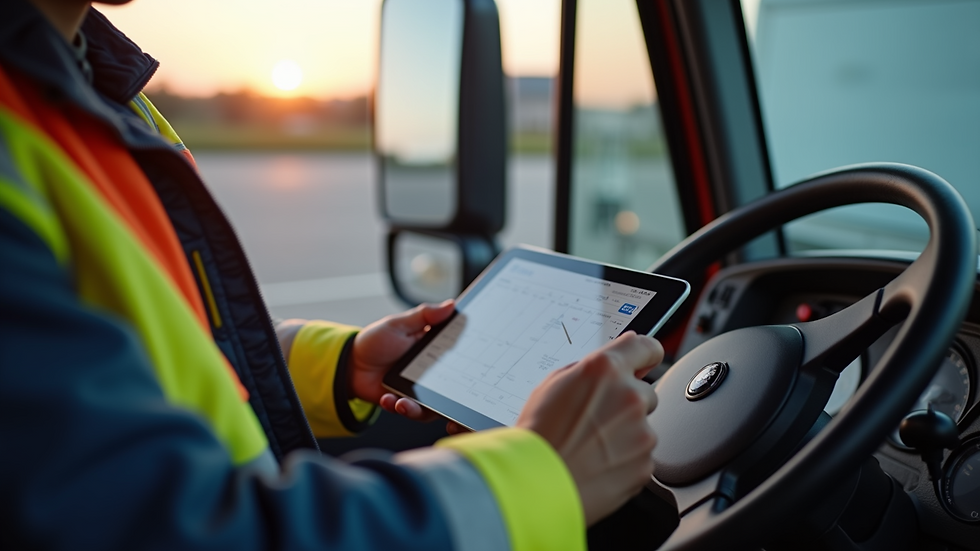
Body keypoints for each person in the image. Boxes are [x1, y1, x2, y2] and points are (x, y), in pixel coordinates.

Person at [0, 0, 663, 549]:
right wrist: (547, 474)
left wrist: (340, 364)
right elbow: (158, 528)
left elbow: (159, 355)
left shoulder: (91, 84)